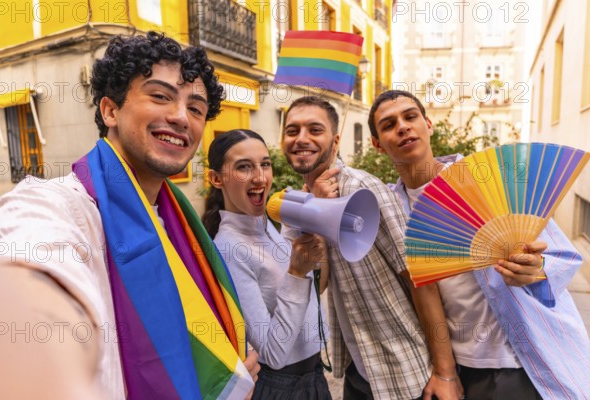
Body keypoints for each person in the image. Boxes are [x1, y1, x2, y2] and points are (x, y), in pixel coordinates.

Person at [0, 32, 259, 399]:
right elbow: (33, 279)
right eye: (160, 96)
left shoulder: (179, 222)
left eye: (196, 108)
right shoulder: (57, 207)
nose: (181, 117)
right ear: (110, 110)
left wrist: (225, 381)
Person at [368, 89, 590, 399]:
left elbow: (564, 258)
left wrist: (537, 271)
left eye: (410, 116)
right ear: (377, 144)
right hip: (463, 370)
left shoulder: (489, 180)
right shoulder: (390, 213)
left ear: (428, 124)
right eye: (389, 124)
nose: (403, 127)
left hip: (524, 359)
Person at [281, 96, 463, 400]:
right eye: (292, 130)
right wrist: (313, 215)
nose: (302, 139)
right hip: (360, 370)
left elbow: (420, 278)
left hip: (403, 372)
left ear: (335, 141)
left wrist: (446, 372)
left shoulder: (360, 189)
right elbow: (319, 284)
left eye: (315, 130)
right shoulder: (308, 198)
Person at [201, 129, 332, 399]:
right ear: (216, 178)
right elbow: (273, 353)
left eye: (265, 164)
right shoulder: (229, 248)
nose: (260, 177)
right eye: (244, 167)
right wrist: (297, 272)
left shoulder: (266, 226)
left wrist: (301, 229)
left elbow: (304, 289)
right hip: (281, 387)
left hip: (314, 375)